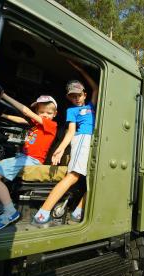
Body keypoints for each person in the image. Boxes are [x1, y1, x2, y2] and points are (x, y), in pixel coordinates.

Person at [32, 60, 98, 226]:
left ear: (85, 94)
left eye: (78, 94)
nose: (76, 98)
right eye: (72, 95)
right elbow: (71, 132)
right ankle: (43, 212)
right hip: (82, 139)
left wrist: (81, 70)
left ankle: (78, 211)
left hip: (95, 140)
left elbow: (96, 87)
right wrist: (61, 149)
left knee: (97, 179)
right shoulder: (72, 111)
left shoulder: (92, 105)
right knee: (73, 176)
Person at [0, 92, 58, 231]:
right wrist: (1, 115)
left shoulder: (51, 125)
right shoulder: (36, 125)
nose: (45, 115)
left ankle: (10, 212)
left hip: (32, 161)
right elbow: (22, 120)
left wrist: (4, 95)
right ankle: (4, 202)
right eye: (41, 112)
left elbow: (26, 112)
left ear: (54, 114)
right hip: (23, 157)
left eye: (48, 112)